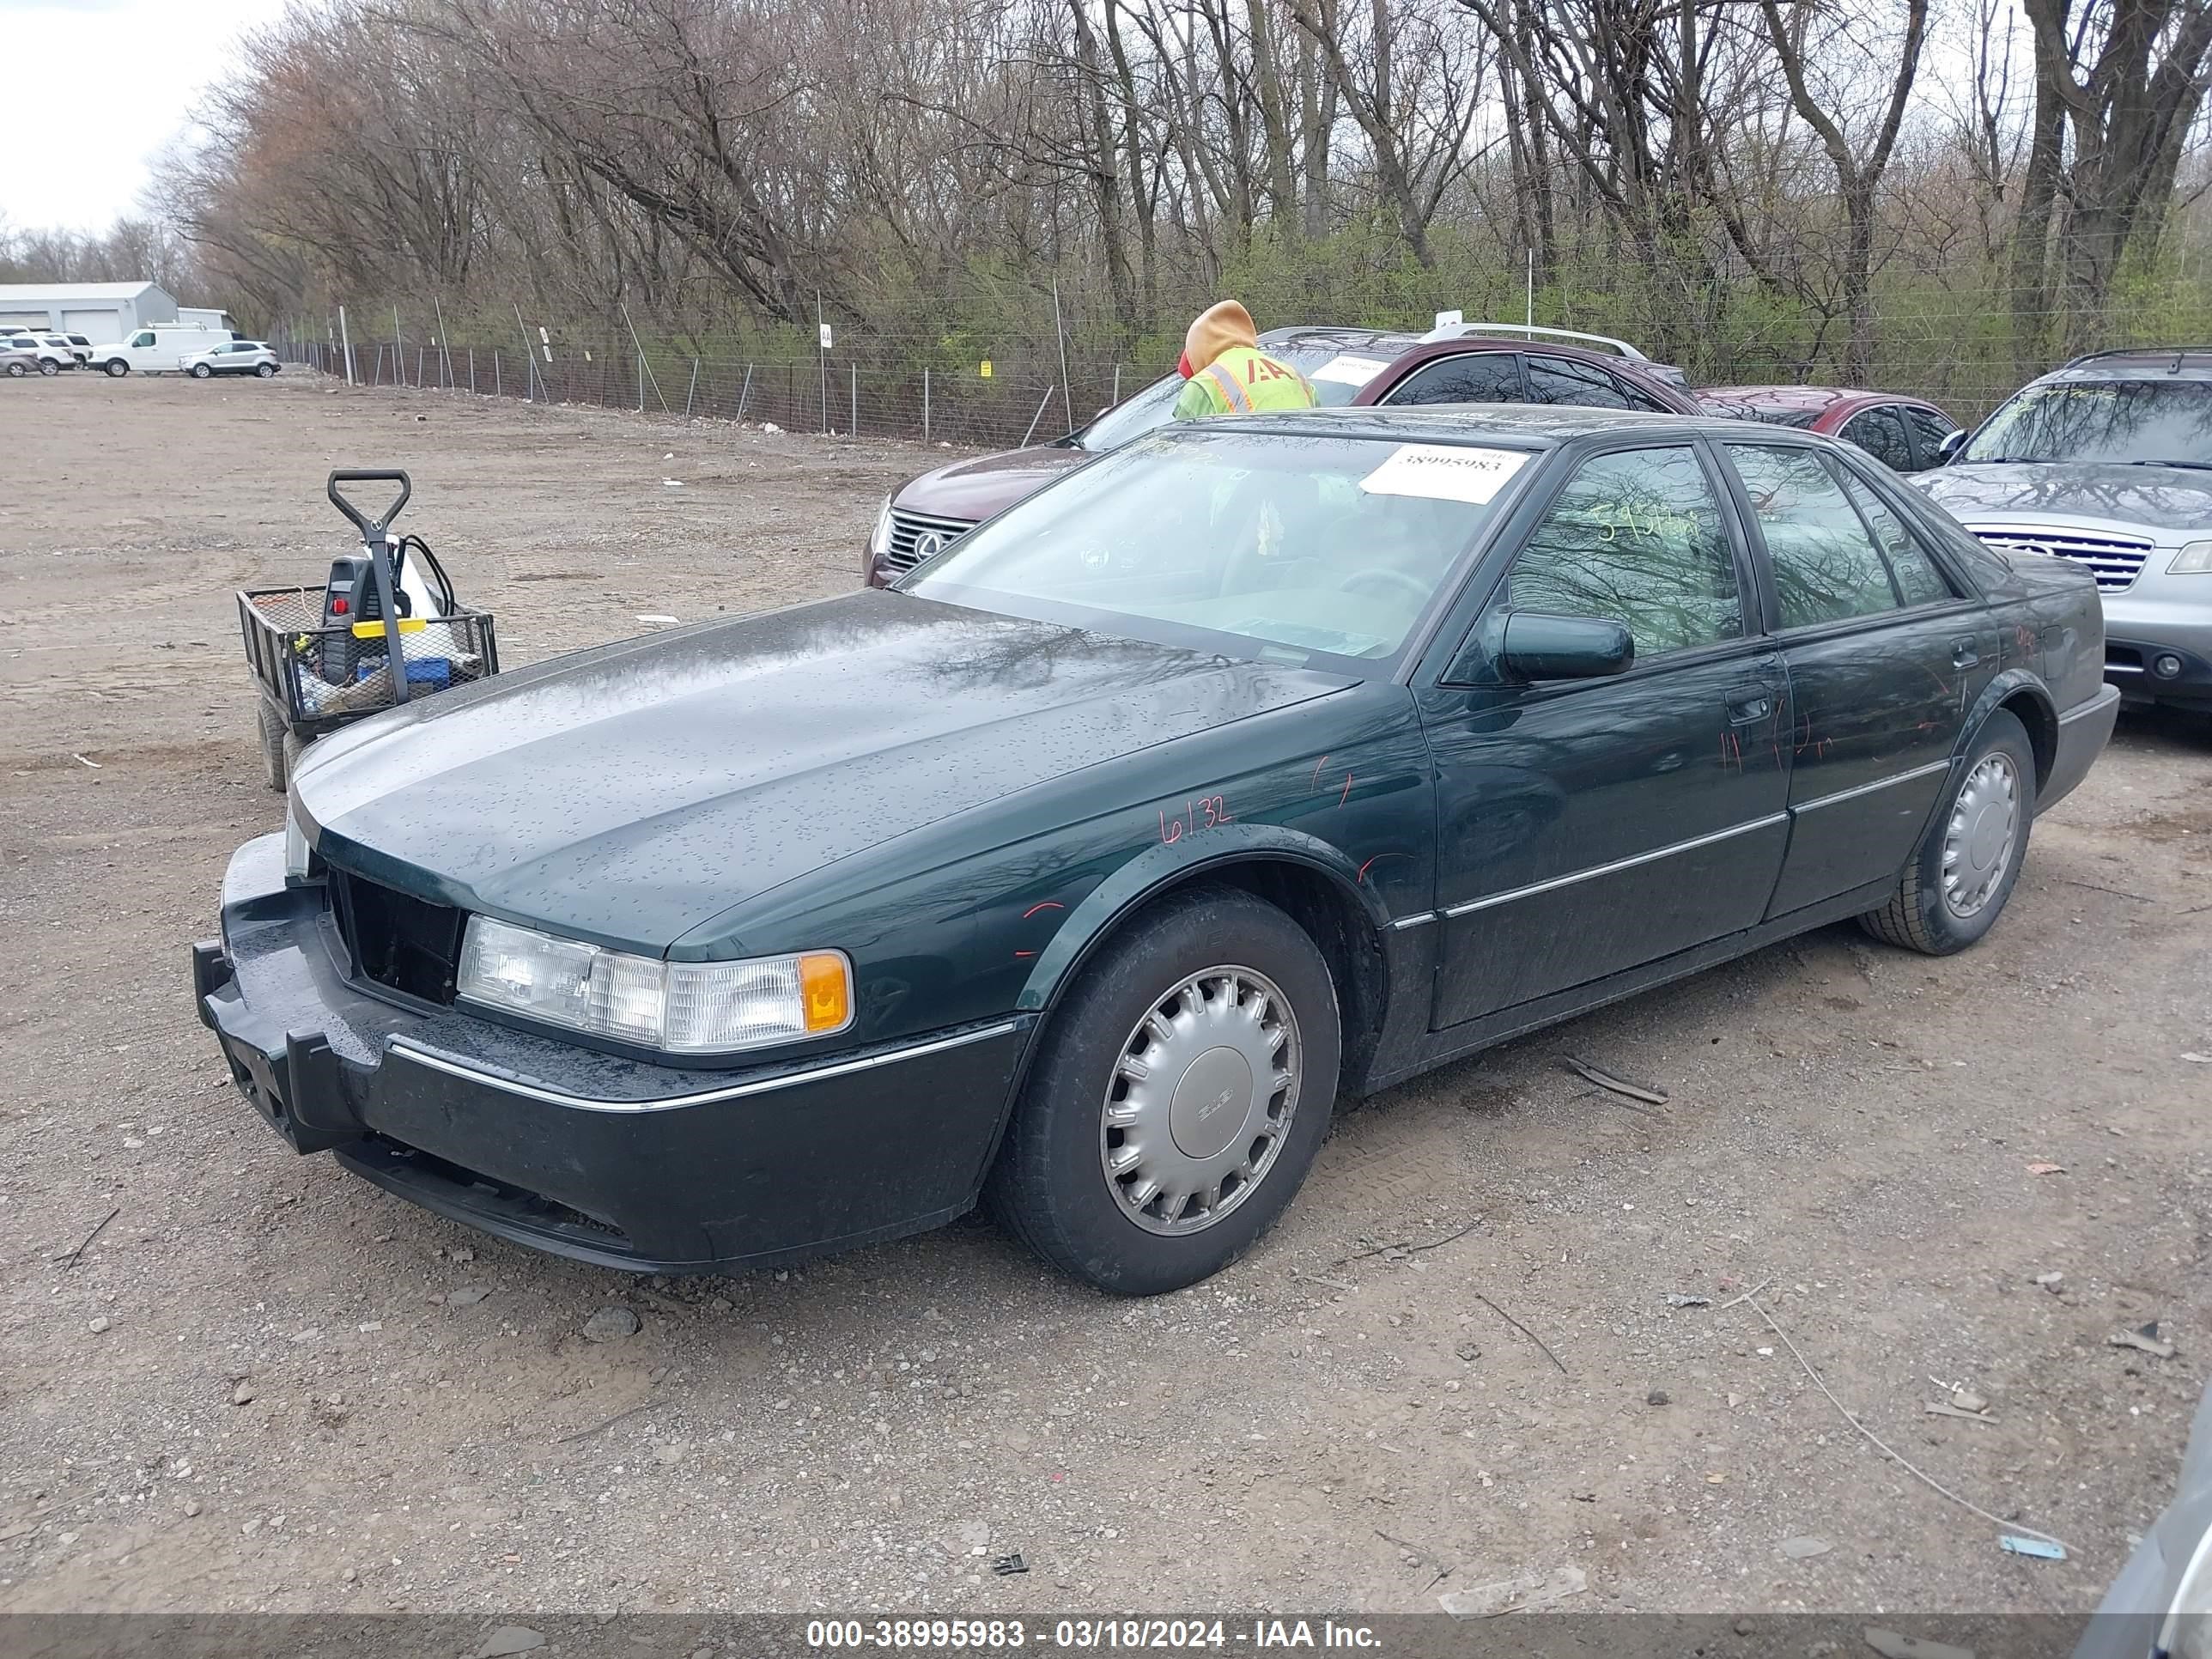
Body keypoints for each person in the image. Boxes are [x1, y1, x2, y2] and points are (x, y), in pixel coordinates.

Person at [1171, 301, 1318, 419]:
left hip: (1249, 455)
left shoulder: (1205, 384)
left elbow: (1183, 445)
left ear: (1198, 351)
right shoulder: (1292, 373)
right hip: (1304, 454)